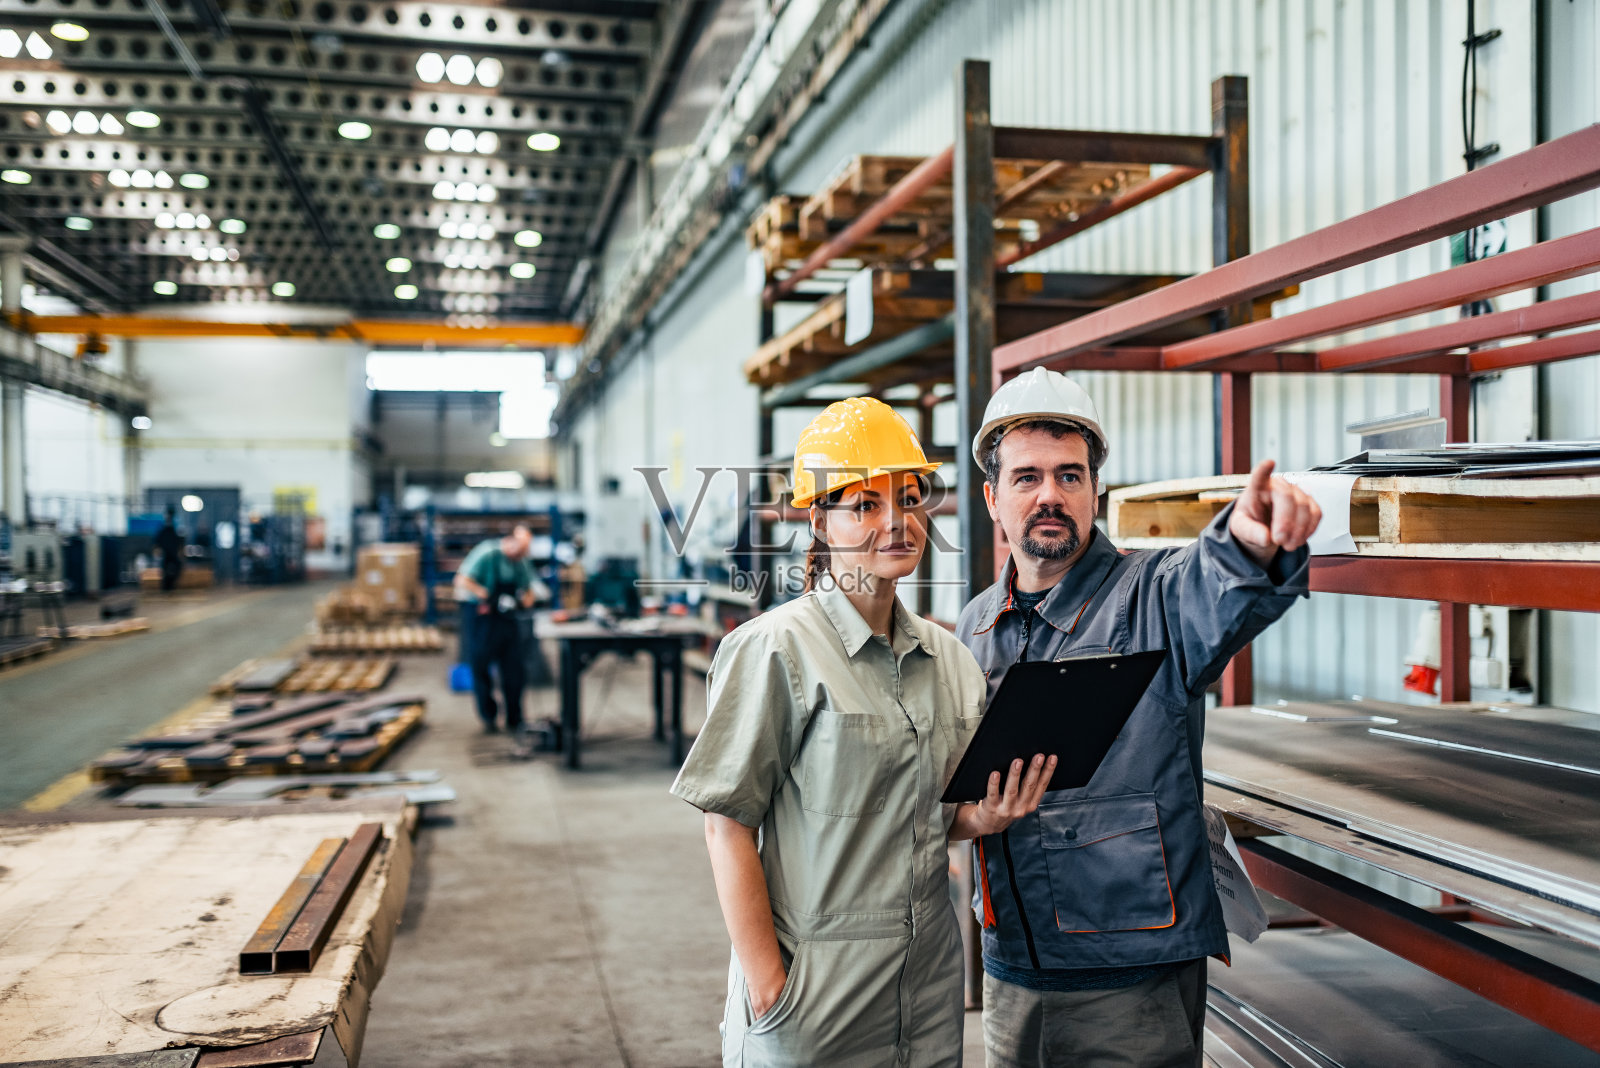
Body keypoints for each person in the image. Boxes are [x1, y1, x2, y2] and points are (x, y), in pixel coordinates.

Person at [672, 397, 1055, 1068]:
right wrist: (769, 988)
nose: (896, 522)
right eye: (866, 506)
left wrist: (981, 817)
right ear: (819, 520)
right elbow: (725, 825)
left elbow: (930, 814)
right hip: (816, 990)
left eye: (908, 500)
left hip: (928, 984)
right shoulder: (776, 651)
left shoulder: (949, 660)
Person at [957, 369, 1322, 1068]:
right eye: (1027, 477)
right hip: (1012, 967)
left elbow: (1213, 582)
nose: (1050, 496)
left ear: (1097, 490)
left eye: (1070, 476)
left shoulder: (1152, 594)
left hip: (1130, 975)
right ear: (992, 498)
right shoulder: (975, 624)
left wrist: (1247, 539)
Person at [454, 524, 542, 733]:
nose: (521, 554)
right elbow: (462, 580)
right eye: (519, 550)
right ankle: (489, 716)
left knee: (514, 669)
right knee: (481, 667)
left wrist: (523, 602)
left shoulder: (521, 562)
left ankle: (515, 718)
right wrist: (485, 595)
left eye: (525, 551)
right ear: (510, 541)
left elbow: (529, 590)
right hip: (483, 620)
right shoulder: (487, 553)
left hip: (507, 621)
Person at [155, 506, 184, 592]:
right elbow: (158, 541)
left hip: (172, 553)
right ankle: (166, 586)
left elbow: (179, 540)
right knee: (165, 570)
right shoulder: (164, 528)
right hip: (166, 553)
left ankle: (170, 585)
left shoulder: (174, 527)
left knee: (176, 567)